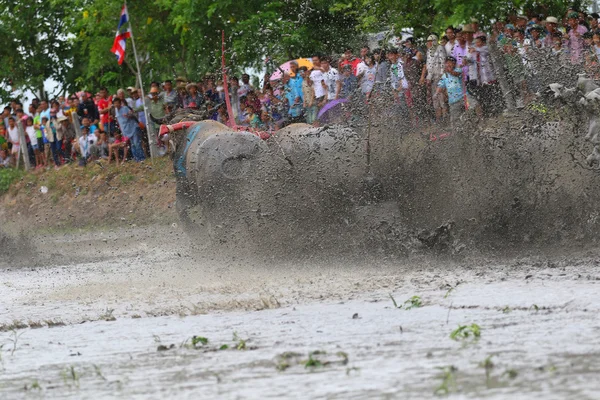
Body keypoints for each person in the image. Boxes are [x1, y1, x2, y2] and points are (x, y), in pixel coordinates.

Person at [420, 34, 447, 123]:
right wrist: (427, 77)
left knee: (442, 99)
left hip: (440, 77)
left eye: (430, 41)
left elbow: (443, 62)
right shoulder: (429, 51)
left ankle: (445, 119)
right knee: (435, 99)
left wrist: (443, 77)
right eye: (428, 41)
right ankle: (439, 120)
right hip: (432, 78)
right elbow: (429, 65)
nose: (428, 43)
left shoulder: (440, 48)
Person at [113, 97, 144, 162]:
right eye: (115, 103)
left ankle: (142, 158)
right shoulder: (116, 111)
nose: (116, 105)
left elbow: (132, 114)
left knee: (137, 144)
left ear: (120, 103)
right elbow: (120, 122)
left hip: (133, 127)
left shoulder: (125, 108)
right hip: (126, 131)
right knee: (132, 145)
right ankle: (137, 159)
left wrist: (129, 115)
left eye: (117, 103)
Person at [437, 56, 464, 125]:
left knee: (474, 105)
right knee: (454, 119)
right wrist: (438, 92)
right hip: (453, 100)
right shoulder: (444, 75)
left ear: (454, 64)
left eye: (450, 63)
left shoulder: (458, 70)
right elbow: (440, 86)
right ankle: (456, 132)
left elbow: (456, 74)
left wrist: (449, 70)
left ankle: (479, 122)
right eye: (447, 63)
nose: (448, 64)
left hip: (463, 97)